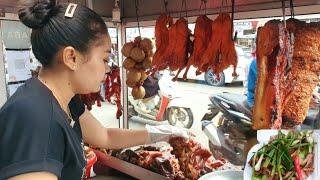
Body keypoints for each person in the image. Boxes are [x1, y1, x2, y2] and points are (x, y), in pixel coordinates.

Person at [0, 1, 191, 180]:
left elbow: (104, 136)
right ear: (71, 58)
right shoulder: (34, 117)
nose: (108, 69)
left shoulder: (66, 100)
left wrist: (157, 133)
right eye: (105, 59)